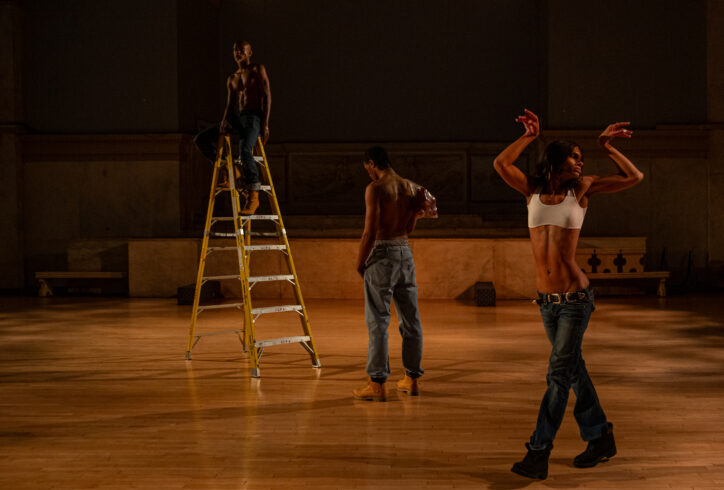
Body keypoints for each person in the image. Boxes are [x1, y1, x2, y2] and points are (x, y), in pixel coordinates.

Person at [493, 110, 644, 480]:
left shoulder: (583, 190)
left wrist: (605, 146)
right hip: (547, 303)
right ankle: (600, 436)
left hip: (576, 299)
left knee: (558, 374)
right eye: (575, 157)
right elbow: (501, 162)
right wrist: (530, 136)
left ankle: (538, 451)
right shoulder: (531, 189)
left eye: (582, 157)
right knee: (573, 369)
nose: (580, 163)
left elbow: (634, 177)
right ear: (557, 160)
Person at [352, 146, 425, 402]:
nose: (369, 174)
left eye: (368, 169)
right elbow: (409, 227)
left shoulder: (375, 189)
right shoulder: (408, 186)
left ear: (372, 163)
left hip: (382, 254)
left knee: (378, 321)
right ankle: (412, 379)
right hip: (404, 251)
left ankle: (377, 383)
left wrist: (361, 262)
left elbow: (369, 232)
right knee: (411, 319)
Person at [194, 40, 271, 214]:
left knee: (245, 151)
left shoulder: (257, 69)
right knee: (200, 139)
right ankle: (230, 171)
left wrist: (265, 124)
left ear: (250, 52)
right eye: (235, 50)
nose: (238, 52)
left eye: (242, 50)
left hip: (254, 118)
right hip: (239, 118)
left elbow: (267, 95)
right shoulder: (232, 78)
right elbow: (230, 104)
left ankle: (253, 195)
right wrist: (224, 121)